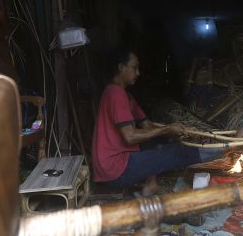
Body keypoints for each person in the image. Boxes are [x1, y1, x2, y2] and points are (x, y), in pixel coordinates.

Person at [91, 47, 219, 195]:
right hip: (115, 170)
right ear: (121, 67)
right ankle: (220, 152)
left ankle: (150, 184)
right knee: (175, 152)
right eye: (134, 68)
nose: (138, 73)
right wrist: (167, 129)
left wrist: (176, 132)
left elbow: (147, 126)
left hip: (109, 167)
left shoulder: (125, 96)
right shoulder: (116, 93)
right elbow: (130, 137)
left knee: (158, 144)